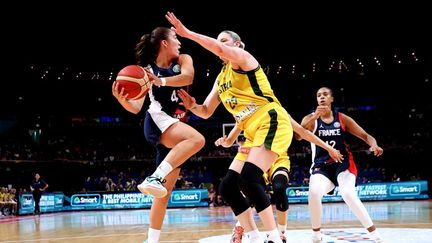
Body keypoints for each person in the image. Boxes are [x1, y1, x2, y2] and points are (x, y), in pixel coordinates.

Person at [166, 12, 342, 243]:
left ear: (237, 45)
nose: (220, 45)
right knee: (228, 187)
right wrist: (193, 106)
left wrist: (188, 34)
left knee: (249, 178)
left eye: (224, 41)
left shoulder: (245, 59)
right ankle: (253, 235)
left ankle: (274, 236)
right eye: (219, 41)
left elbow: (219, 50)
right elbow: (206, 111)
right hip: (251, 133)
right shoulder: (221, 79)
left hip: (271, 120)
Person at [111, 26, 205, 243]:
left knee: (163, 193)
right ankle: (154, 176)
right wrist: (122, 99)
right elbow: (135, 108)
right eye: (175, 38)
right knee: (197, 139)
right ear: (164, 42)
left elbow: (188, 78)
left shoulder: (183, 60)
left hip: (173, 125)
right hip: (157, 121)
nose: (179, 42)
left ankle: (151, 241)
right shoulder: (144, 72)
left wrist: (160, 80)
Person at [215, 118, 343, 243]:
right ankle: (240, 227)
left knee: (279, 188)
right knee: (251, 190)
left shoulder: (277, 111)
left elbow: (301, 132)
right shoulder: (246, 114)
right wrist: (226, 142)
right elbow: (231, 141)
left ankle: (281, 233)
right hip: (258, 158)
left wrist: (328, 147)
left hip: (278, 159)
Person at [299, 86, 384, 243]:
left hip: (342, 163)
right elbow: (299, 135)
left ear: (332, 99)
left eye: (325, 94)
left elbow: (366, 135)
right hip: (321, 166)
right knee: (314, 193)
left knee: (347, 193)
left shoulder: (342, 118)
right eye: (319, 95)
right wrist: (314, 116)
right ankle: (316, 235)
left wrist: (374, 145)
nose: (322, 97)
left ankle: (374, 234)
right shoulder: (310, 118)